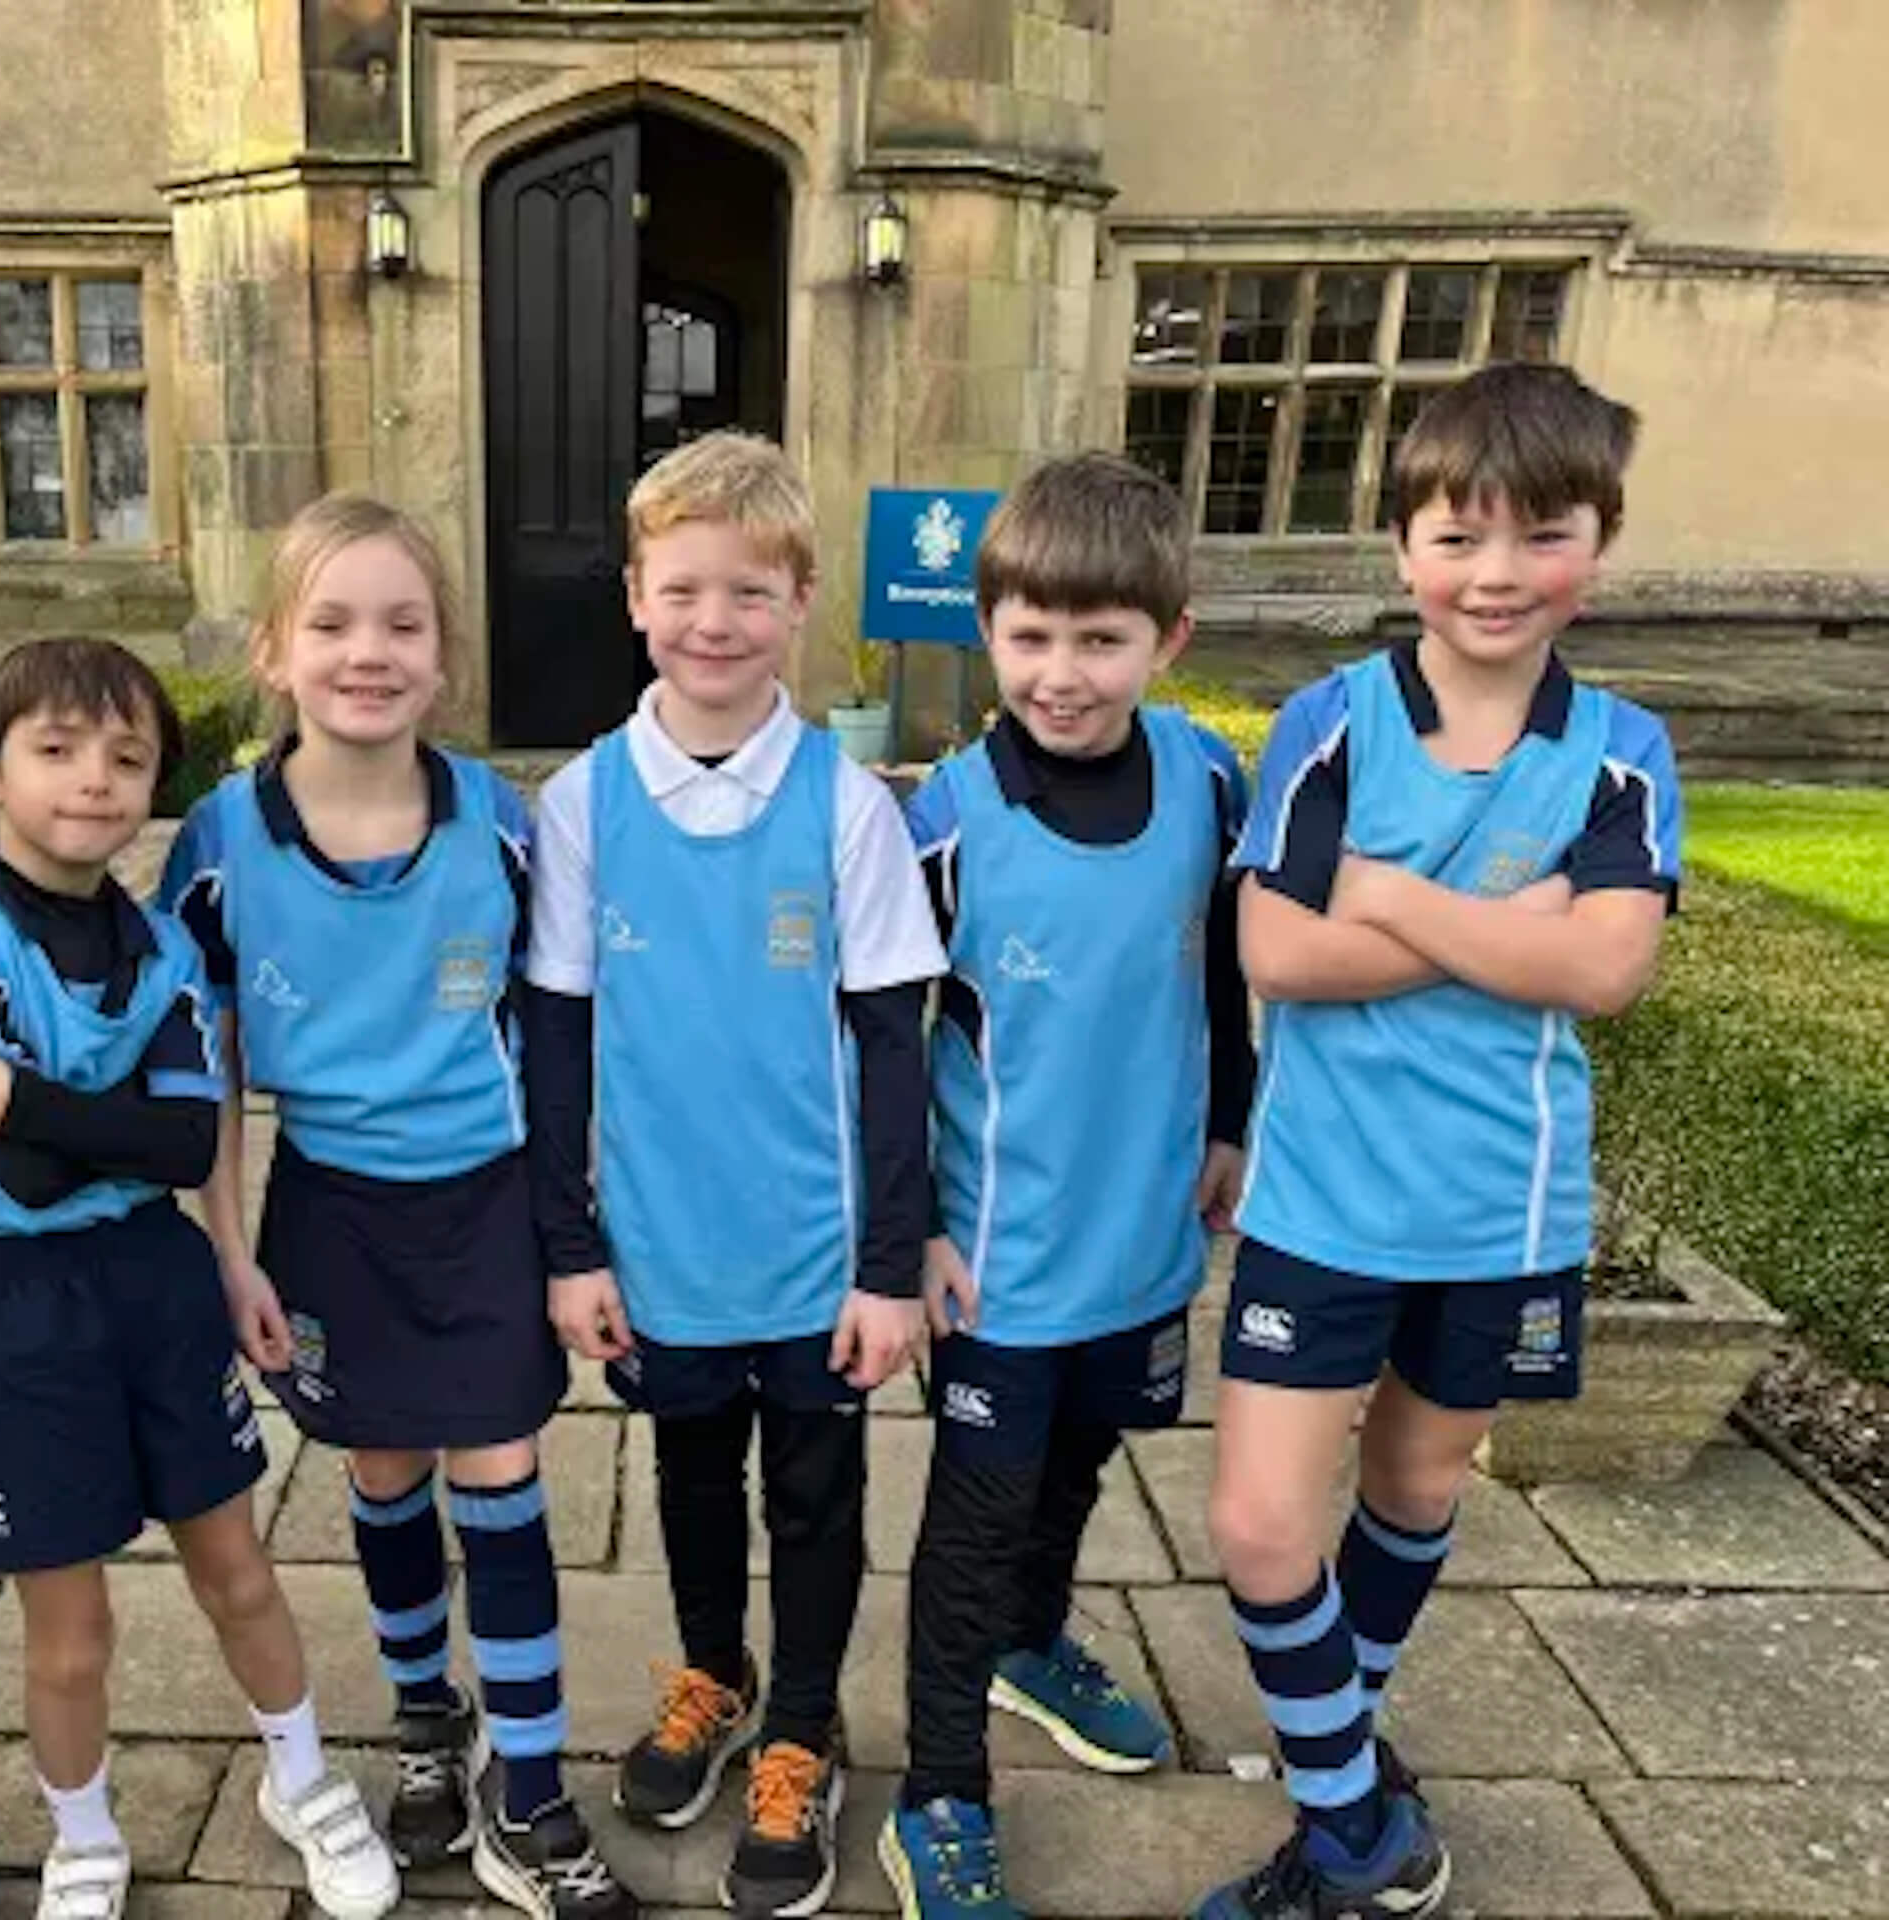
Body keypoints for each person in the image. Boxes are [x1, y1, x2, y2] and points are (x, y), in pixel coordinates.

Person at [1196, 362, 1684, 1920]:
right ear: (1402, 545)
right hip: (1324, 1200)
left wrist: (1388, 899)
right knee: (1263, 1524)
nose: (1496, 574)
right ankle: (1361, 1835)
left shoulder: (1620, 749)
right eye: (1459, 537)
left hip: (1502, 1208)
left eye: (1541, 535)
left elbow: (1604, 971)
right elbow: (1276, 955)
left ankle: (1341, 1775)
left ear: (1596, 547)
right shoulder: (1333, 724)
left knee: (1411, 1494)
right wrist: (1494, 920)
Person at [158, 494, 634, 1920]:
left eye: (404, 623)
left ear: (444, 657)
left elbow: (565, 1037)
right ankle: (432, 1723)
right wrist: (228, 1253)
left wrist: (578, 1235)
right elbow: (210, 1072)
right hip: (331, 1209)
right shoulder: (220, 844)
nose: (370, 652)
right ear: (274, 651)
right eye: (333, 623)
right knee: (378, 1474)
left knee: (499, 1476)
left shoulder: (500, 822)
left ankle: (532, 1791)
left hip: (480, 1202)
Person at [0, 637, 397, 1920]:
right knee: (69, 1626)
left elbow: (181, 1142)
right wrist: (71, 1123)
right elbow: (25, 1185)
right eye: (55, 750)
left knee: (238, 1568)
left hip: (154, 1285)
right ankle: (85, 1838)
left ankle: (301, 1779)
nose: (94, 781)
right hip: (10, 1306)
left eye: (127, 757)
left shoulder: (163, 946)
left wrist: (23, 1100)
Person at [523, 431, 945, 1918]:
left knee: (818, 1497)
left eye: (750, 592)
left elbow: (895, 1050)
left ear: (801, 602)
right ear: (636, 597)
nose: (715, 622)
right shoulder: (580, 807)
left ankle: (807, 1728)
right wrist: (570, 1249)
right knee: (694, 1480)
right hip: (659, 1250)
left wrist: (890, 1266)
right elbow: (557, 1050)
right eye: (684, 588)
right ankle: (714, 1674)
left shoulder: (846, 805)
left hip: (816, 1254)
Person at [879, 452, 1254, 1920]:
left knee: (1084, 1469)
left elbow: (1227, 972)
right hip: (997, 1255)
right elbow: (887, 1044)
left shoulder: (1212, 782)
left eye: (1101, 639)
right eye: (1031, 636)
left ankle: (1035, 1644)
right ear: (989, 631)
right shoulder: (948, 823)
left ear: (1169, 639)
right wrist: (906, 1227)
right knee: (971, 1525)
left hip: (1146, 1233)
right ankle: (940, 1795)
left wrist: (1231, 1118)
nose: (1063, 672)